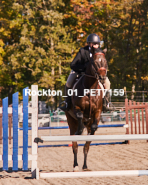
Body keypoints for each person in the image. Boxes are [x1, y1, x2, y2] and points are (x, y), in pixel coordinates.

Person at [59, 33, 114, 112]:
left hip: (95, 75)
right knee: (68, 82)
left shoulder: (100, 52)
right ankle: (67, 102)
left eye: (97, 44)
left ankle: (107, 103)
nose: (96, 45)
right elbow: (73, 65)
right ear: (89, 43)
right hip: (79, 72)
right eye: (94, 44)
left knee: (108, 83)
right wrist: (84, 68)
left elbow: (103, 64)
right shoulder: (83, 51)